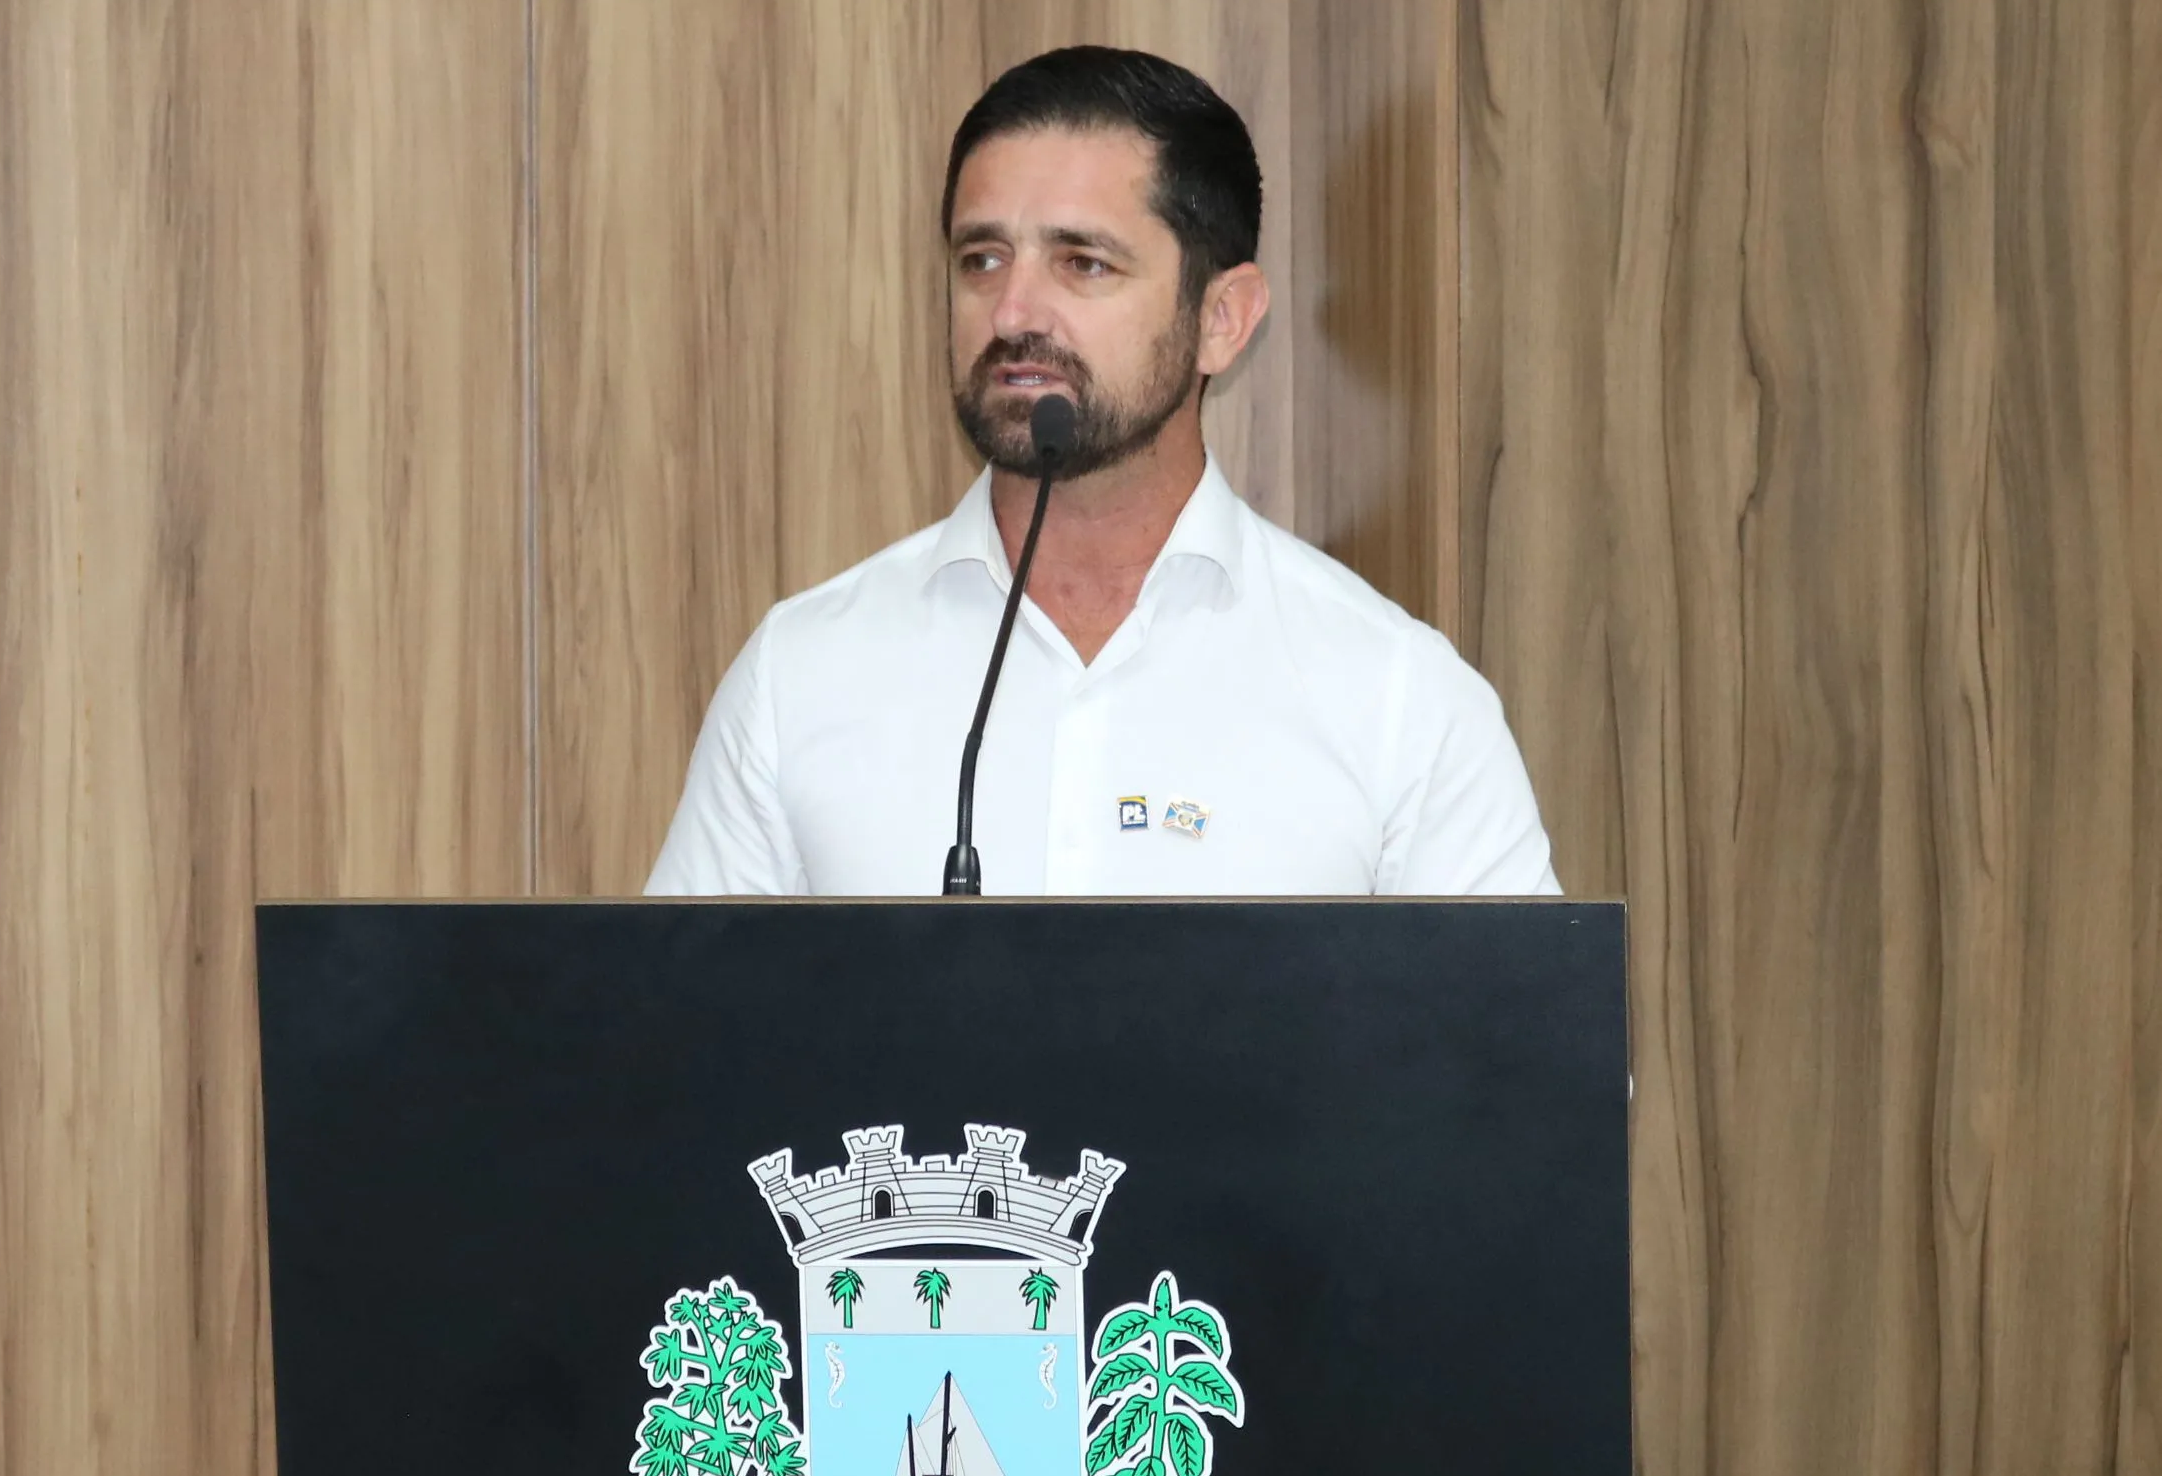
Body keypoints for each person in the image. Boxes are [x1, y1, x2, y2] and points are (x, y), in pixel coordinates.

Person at [646, 46, 1559, 898]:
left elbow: (1512, 1024)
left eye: (1082, 263)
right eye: (981, 259)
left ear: (1222, 319)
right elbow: (671, 1016)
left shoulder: (1396, 698)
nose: (1011, 313)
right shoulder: (801, 674)